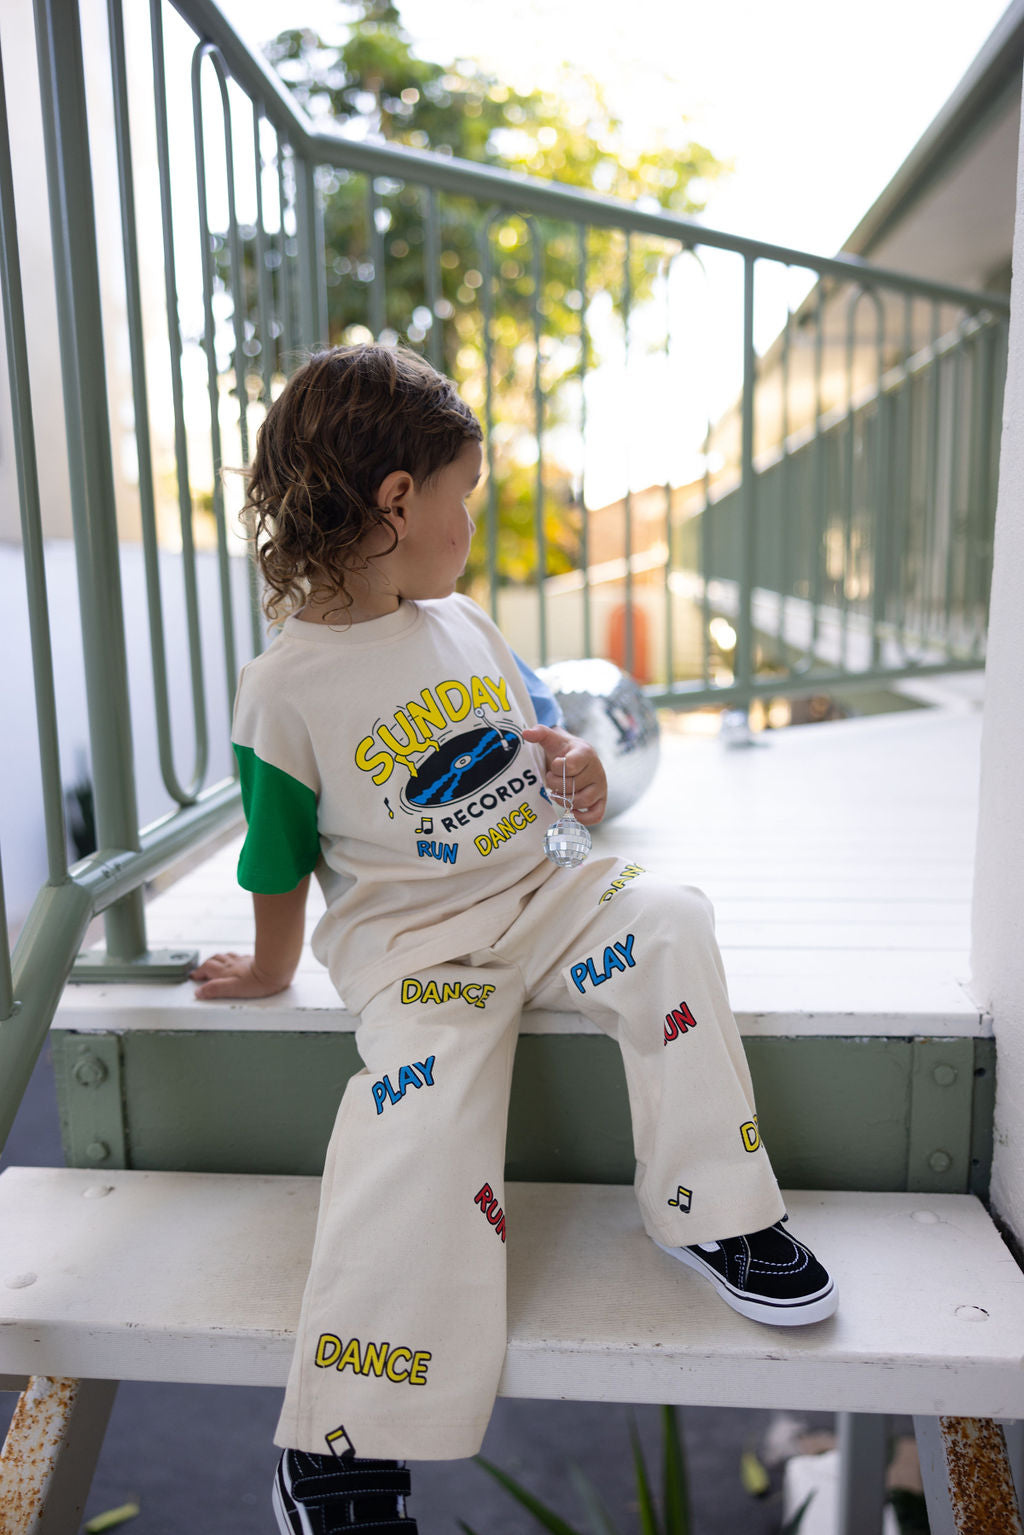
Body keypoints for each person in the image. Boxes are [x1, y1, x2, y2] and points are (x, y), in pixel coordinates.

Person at [191, 343, 837, 1535]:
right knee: (423, 1115)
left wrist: (577, 769)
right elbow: (276, 857)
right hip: (418, 949)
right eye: (464, 498)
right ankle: (345, 1435)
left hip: (544, 894)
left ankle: (714, 1204)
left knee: (672, 916)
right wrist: (274, 968)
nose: (469, 525)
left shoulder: (464, 623)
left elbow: (537, 746)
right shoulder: (282, 688)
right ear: (396, 501)